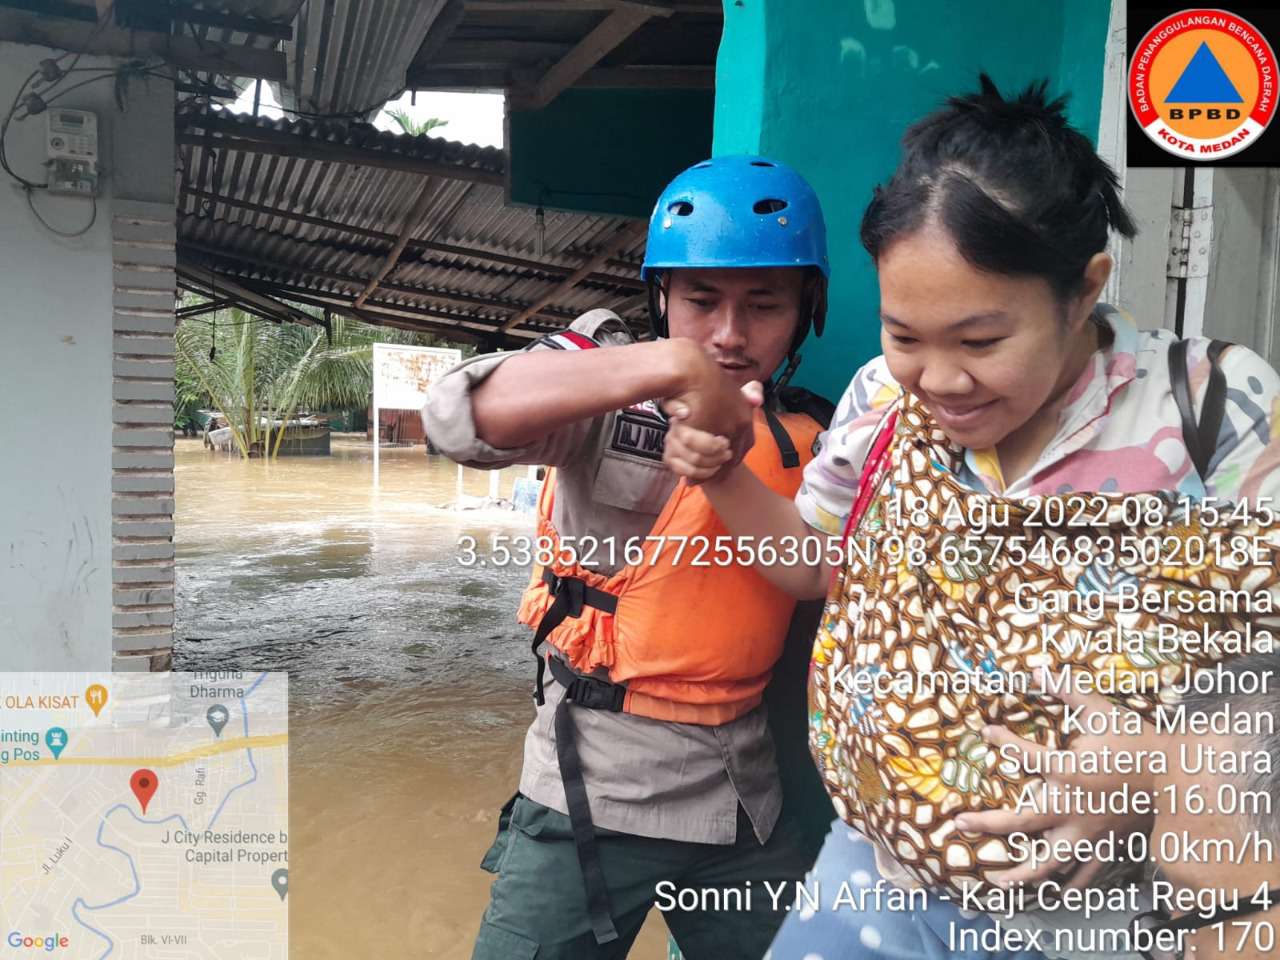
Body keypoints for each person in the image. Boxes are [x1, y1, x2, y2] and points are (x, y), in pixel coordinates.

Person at [661, 76, 1280, 960]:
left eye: (982, 342)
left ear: (1083, 289)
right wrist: (723, 475)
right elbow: (814, 565)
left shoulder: (1211, 405)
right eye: (905, 335)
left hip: (1096, 918)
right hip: (871, 875)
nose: (940, 381)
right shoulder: (880, 400)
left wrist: (1155, 763)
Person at [423, 156, 836, 959]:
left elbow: (823, 573)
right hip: (590, 793)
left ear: (804, 311)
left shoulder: (821, 439)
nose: (728, 332)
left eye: (764, 305)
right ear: (662, 298)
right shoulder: (601, 386)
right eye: (701, 301)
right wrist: (671, 368)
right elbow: (455, 419)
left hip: (742, 800)